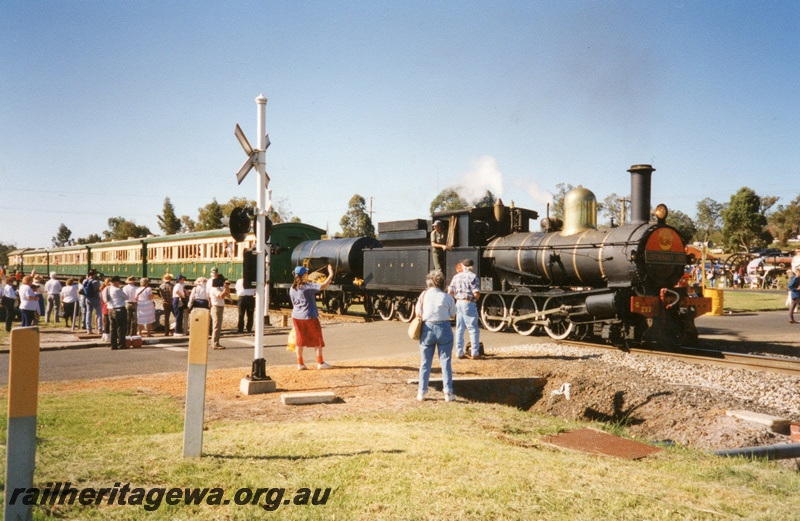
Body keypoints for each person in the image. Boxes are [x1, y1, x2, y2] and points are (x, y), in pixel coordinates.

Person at [415, 270, 457, 402]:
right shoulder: (447, 297)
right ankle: (448, 393)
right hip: (444, 327)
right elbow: (453, 313)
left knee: (425, 362)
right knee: (445, 361)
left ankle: (421, 392)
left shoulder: (424, 294)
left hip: (428, 328)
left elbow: (418, 312)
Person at [290, 265, 334, 370]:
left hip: (296, 316)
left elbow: (293, 303)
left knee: (299, 340)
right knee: (317, 339)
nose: (307, 274)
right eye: (306, 273)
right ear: (304, 275)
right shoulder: (307, 286)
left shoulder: (292, 288)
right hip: (309, 316)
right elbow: (323, 286)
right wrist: (331, 274)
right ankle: (320, 362)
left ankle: (300, 364)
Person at [448, 258, 482, 359]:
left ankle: (459, 352)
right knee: (473, 329)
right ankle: (475, 352)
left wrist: (458, 299)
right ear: (472, 267)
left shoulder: (456, 277)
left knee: (459, 329)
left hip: (458, 302)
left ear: (463, 266)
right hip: (468, 302)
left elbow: (450, 292)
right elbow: (476, 293)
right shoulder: (473, 277)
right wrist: (473, 300)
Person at [103, 276, 128, 350]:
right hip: (119, 309)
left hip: (110, 309)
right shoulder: (117, 290)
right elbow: (126, 297)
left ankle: (113, 345)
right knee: (121, 327)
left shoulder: (107, 288)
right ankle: (121, 344)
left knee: (112, 328)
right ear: (116, 282)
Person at [209, 276, 230, 349]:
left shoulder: (219, 289)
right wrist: (225, 288)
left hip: (219, 308)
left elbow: (227, 294)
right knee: (216, 326)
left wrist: (227, 288)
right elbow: (221, 296)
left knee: (218, 326)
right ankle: (215, 343)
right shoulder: (215, 289)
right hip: (216, 308)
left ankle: (216, 342)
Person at [99, 277, 112, 342]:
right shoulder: (107, 289)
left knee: (105, 321)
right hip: (107, 306)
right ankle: (107, 335)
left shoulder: (102, 289)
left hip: (104, 305)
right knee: (107, 321)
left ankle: (104, 334)